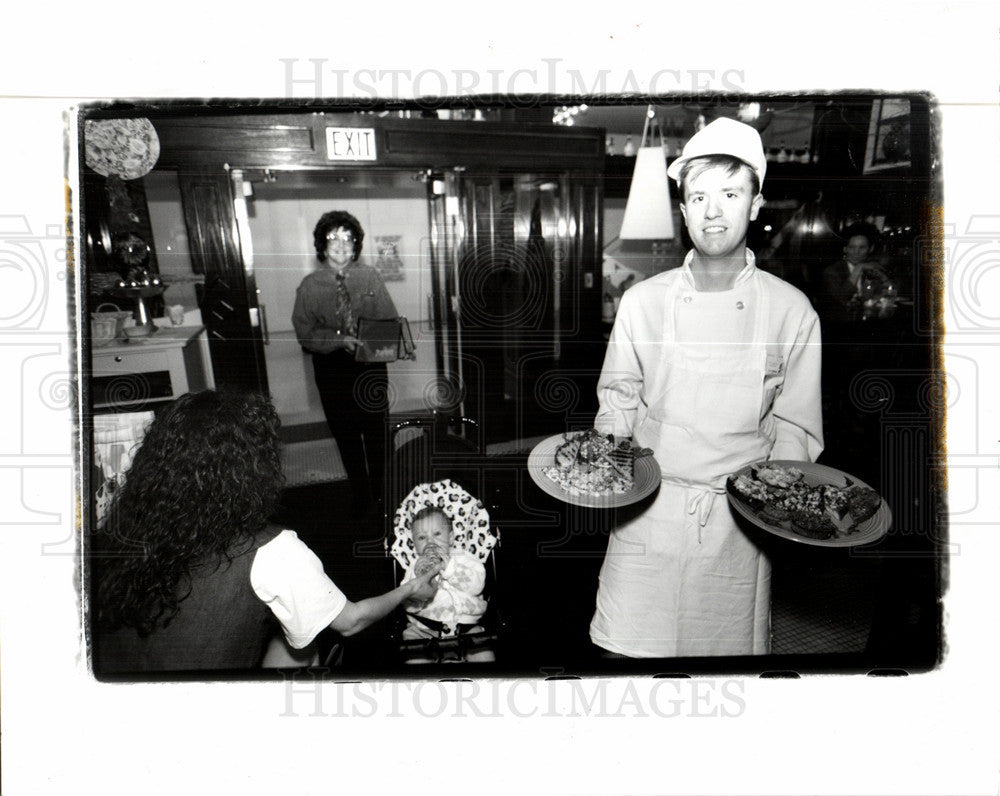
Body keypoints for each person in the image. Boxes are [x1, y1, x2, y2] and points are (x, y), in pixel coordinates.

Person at [590, 118, 824, 658]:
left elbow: (794, 427)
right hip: (646, 511)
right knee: (628, 664)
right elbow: (619, 399)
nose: (713, 210)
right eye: (698, 196)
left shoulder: (793, 312)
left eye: (730, 193)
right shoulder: (641, 302)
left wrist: (777, 505)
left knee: (724, 675)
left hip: (736, 527)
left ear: (756, 203)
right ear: (683, 208)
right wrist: (603, 459)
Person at [92, 389, 438, 674]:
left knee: (288, 633)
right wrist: (409, 590)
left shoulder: (125, 527)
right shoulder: (273, 550)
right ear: (254, 469)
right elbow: (352, 621)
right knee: (309, 638)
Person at [292, 210, 399, 510]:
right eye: (333, 238)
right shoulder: (310, 285)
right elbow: (304, 332)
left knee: (378, 435)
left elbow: (388, 320)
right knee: (347, 437)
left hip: (369, 366)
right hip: (332, 368)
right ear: (322, 245)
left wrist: (370, 339)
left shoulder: (370, 276)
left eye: (347, 238)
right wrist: (339, 339)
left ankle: (386, 498)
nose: (340, 245)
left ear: (356, 245)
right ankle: (362, 500)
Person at [818, 222, 893, 325]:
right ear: (845, 249)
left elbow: (890, 291)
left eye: (862, 248)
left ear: (870, 249)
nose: (856, 252)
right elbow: (843, 297)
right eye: (852, 247)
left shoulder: (871, 268)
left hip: (867, 320)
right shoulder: (832, 271)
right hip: (837, 323)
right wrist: (859, 268)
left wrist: (882, 276)